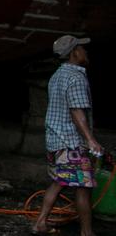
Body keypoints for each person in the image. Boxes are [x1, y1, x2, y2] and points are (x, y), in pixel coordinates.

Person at [34, 35, 101, 236]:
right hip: (71, 142)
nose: (85, 51)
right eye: (82, 48)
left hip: (55, 139)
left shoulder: (57, 75)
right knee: (83, 187)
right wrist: (91, 140)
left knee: (59, 182)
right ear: (74, 53)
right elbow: (76, 111)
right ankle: (86, 232)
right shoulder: (76, 77)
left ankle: (40, 223)